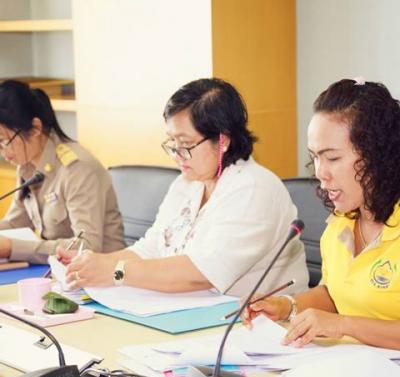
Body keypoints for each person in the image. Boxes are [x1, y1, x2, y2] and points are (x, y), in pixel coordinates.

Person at [60, 78, 309, 296]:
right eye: (172, 142)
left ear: (222, 140)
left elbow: (201, 274)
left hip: (254, 323)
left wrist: (116, 272)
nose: (177, 155)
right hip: (193, 315)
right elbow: (153, 247)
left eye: (186, 144)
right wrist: (93, 263)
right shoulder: (188, 183)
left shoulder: (254, 189)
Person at [242, 78, 400, 350]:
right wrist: (286, 306)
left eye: (333, 158)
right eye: (315, 157)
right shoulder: (342, 222)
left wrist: (343, 325)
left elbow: (341, 318)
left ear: (378, 155)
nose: (319, 172)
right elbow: (336, 294)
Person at [0, 80, 125, 264]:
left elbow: (86, 246)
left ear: (35, 129)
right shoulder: (27, 165)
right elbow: (15, 223)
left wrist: (13, 248)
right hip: (60, 270)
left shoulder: (78, 168)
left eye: (3, 141)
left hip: (103, 272)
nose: (3, 153)